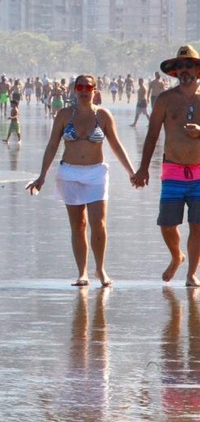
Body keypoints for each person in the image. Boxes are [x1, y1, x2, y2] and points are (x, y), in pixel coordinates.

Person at [27, 74, 135, 288]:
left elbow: (116, 145)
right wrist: (42, 176)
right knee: (78, 225)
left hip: (96, 173)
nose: (84, 90)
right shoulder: (64, 115)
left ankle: (101, 269)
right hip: (70, 173)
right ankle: (82, 272)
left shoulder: (103, 115)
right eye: (80, 86)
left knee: (99, 224)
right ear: (74, 90)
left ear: (95, 90)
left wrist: (132, 172)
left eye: (88, 87)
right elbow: (52, 146)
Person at [133, 45, 200, 286]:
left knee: (197, 224)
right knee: (167, 224)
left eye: (188, 65)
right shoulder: (165, 99)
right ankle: (176, 256)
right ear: (174, 71)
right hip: (172, 171)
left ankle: (192, 272)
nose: (184, 70)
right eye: (179, 66)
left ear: (197, 69)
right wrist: (142, 169)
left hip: (199, 172)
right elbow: (151, 136)